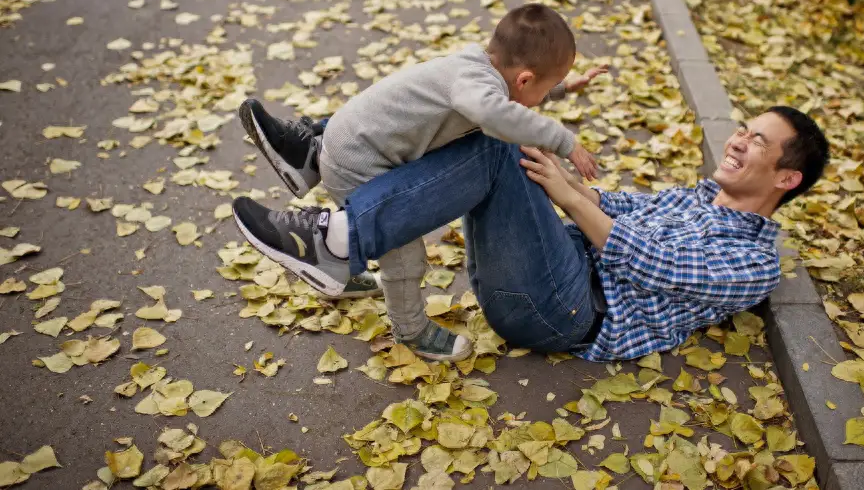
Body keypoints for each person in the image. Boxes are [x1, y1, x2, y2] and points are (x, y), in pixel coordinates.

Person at [234, 106, 828, 360]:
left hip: (565, 313)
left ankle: (338, 243)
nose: (737, 140)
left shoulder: (754, 262)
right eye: (743, 129)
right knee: (495, 120)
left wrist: (568, 195)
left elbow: (656, 265)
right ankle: (319, 147)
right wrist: (558, 165)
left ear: (787, 176)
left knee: (496, 146)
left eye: (757, 142)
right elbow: (613, 204)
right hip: (551, 270)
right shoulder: (697, 196)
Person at [235, 3, 607, 362]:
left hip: (341, 140)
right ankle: (409, 328)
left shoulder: (472, 65)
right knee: (403, 255)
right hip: (360, 165)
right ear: (524, 79)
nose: (544, 96)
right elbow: (495, 111)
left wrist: (562, 89)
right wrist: (563, 141)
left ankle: (303, 156)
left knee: (387, 208)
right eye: (547, 87)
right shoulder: (480, 92)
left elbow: (512, 95)